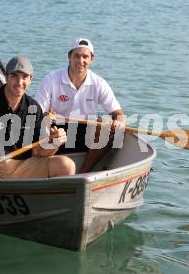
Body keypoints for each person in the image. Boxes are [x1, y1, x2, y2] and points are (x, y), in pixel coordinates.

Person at [0, 56, 76, 182]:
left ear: (30, 80)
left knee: (66, 165)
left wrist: (54, 142)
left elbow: (39, 151)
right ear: (6, 77)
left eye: (24, 77)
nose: (19, 82)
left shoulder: (33, 107)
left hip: (23, 166)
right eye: (14, 76)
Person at [35, 38, 126, 173]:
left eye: (85, 56)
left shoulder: (98, 82)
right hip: (57, 130)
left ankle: (84, 173)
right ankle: (43, 166)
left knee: (106, 126)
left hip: (84, 131)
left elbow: (118, 114)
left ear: (91, 60)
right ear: (69, 57)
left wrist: (120, 124)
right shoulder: (51, 79)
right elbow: (37, 114)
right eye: (77, 56)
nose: (81, 60)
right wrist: (46, 116)